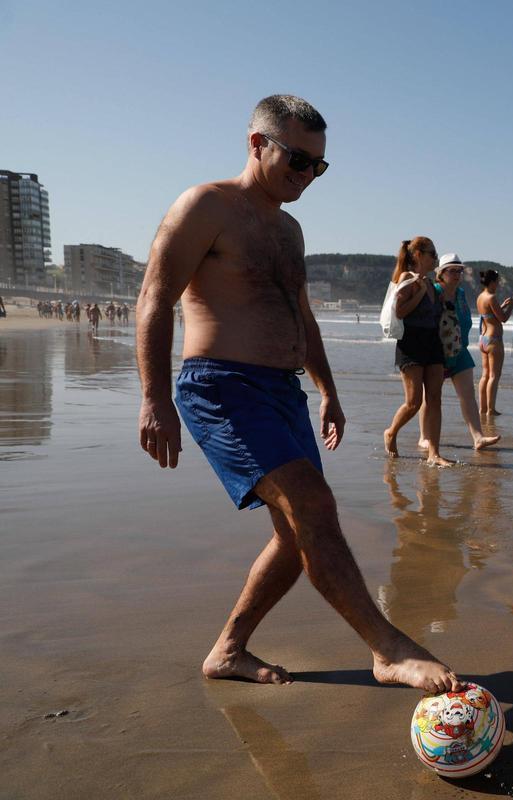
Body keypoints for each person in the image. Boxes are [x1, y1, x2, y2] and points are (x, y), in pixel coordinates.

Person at [135, 94, 458, 692]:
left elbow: (301, 318)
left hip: (282, 391)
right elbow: (154, 298)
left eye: (318, 166)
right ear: (256, 143)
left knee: (294, 532)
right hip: (221, 386)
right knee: (313, 508)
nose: (307, 174)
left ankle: (227, 651)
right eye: (297, 159)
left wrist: (327, 390)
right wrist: (154, 398)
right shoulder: (206, 205)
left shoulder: (290, 229)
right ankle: (386, 648)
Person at [417, 253, 500, 451]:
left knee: (468, 395)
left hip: (460, 350)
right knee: (430, 397)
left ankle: (478, 437)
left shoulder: (461, 294)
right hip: (436, 352)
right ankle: (424, 436)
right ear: (441, 274)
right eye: (452, 271)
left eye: (459, 270)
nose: (457, 274)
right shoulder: (433, 292)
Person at [382, 237, 453, 467]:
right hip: (410, 343)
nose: (435, 257)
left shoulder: (432, 284)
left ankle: (434, 452)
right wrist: (420, 292)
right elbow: (400, 311)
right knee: (414, 402)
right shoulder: (407, 279)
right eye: (432, 254)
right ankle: (391, 433)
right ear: (419, 255)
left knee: (435, 399)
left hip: (432, 342)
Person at [475, 268, 513, 417]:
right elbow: (503, 318)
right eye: (497, 281)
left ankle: (482, 408)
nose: (498, 284)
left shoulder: (481, 297)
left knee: (485, 375)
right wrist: (512, 305)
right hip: (494, 340)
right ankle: (491, 409)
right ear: (492, 282)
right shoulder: (491, 297)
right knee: (494, 376)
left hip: (483, 339)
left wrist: (503, 304)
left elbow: (489, 314)